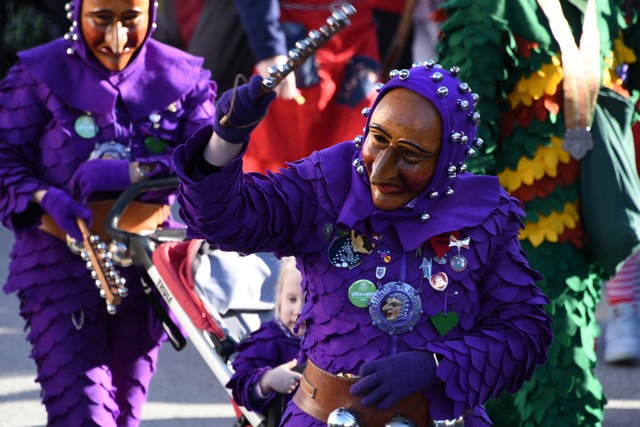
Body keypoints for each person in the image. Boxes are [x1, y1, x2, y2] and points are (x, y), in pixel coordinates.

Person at [174, 62, 553, 426]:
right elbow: (226, 222)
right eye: (379, 139)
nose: (382, 170)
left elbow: (524, 330)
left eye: (410, 155)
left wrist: (436, 365)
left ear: (447, 160)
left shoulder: (484, 216)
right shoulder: (324, 184)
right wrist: (225, 141)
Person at [0, 0, 216, 424]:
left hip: (147, 268)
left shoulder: (185, 78)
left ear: (150, 15)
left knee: (124, 416)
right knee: (83, 414)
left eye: (130, 21)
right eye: (102, 21)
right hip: (57, 267)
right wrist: (46, 198)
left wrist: (131, 172)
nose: (116, 41)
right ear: (77, 13)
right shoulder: (36, 75)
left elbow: (209, 165)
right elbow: (5, 157)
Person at [436, 0, 640, 425]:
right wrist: (479, 251)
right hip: (509, 246)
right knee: (547, 393)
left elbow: (622, 89)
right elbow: (464, 138)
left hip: (578, 245)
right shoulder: (491, 10)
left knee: (533, 392)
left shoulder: (601, 9)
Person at [231, 0, 381, 173]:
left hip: (355, 33)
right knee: (280, 162)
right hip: (290, 33)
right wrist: (269, 49)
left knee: (356, 146)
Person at [226, 256, 304, 422]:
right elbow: (241, 385)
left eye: (309, 300)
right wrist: (268, 380)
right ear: (280, 298)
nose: (299, 310)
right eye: (292, 299)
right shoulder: (268, 339)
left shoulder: (335, 340)